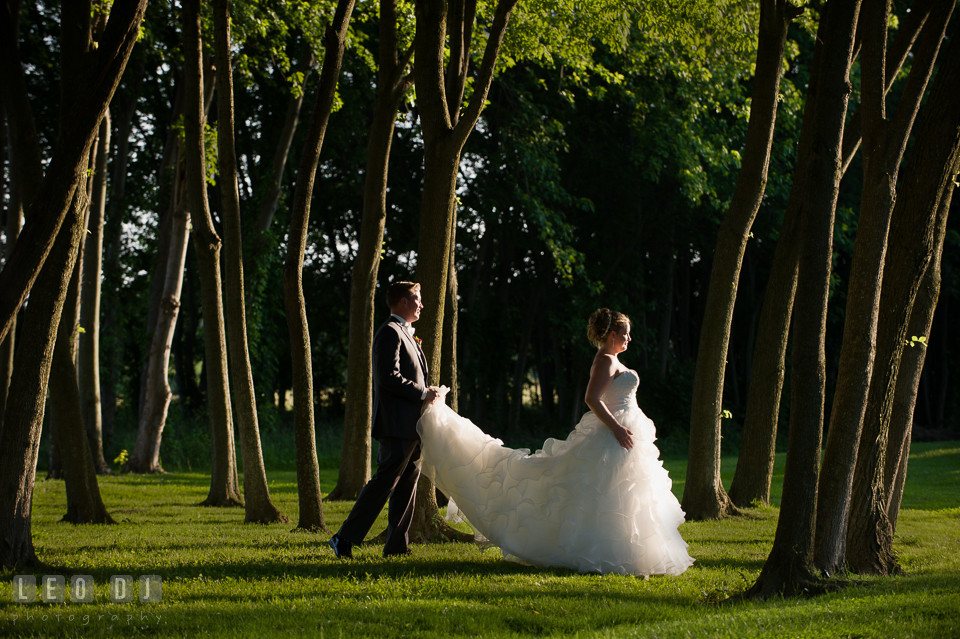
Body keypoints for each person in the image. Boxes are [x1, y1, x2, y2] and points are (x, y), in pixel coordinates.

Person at [416, 308, 695, 577]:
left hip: (623, 434)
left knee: (625, 495)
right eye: (625, 334)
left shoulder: (613, 359)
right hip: (612, 434)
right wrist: (618, 428)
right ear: (611, 335)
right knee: (605, 494)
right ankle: (598, 552)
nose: (629, 339)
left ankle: (627, 551)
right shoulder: (605, 360)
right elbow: (592, 399)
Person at [329, 281, 441, 558]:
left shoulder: (406, 333)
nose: (421, 304)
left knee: (407, 485)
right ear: (403, 301)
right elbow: (387, 377)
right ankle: (343, 538)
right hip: (396, 424)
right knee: (384, 483)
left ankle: (396, 546)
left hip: (413, 425)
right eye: (417, 298)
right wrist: (422, 393)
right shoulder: (389, 332)